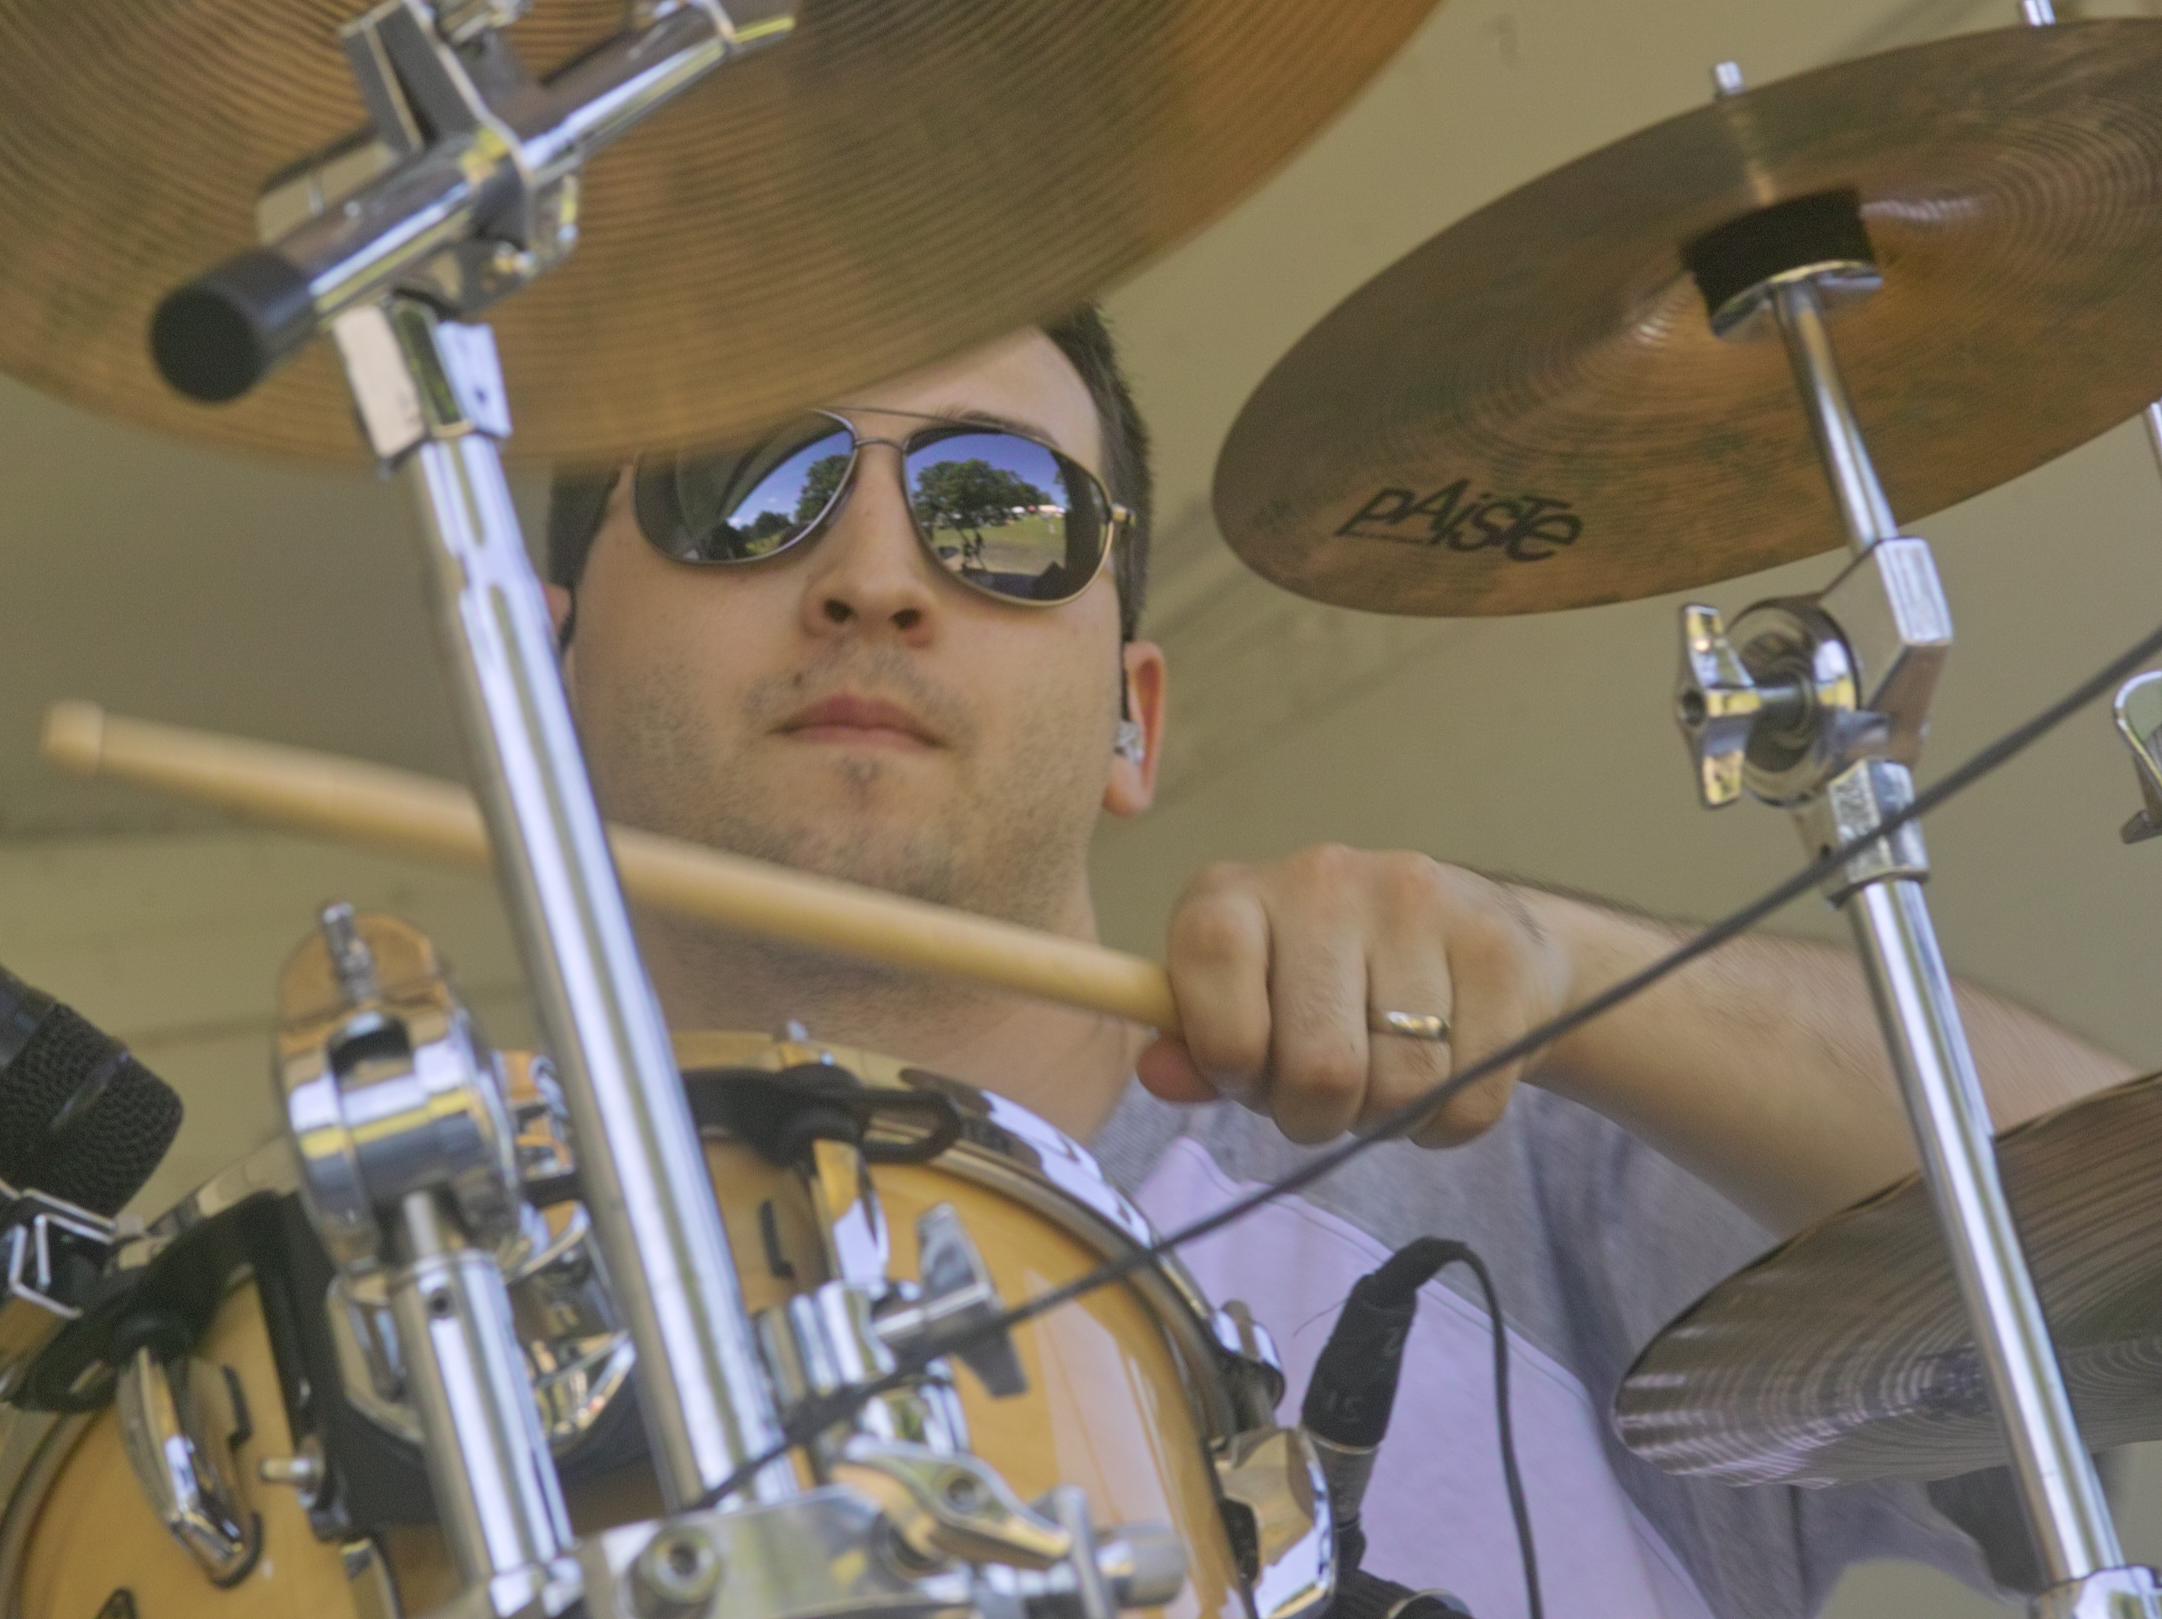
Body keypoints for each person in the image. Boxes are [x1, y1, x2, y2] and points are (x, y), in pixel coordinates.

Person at [536, 306, 2127, 1618]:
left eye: (998, 509)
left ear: (1133, 720)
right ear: (535, 672)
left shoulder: (1512, 1156)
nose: (877, 581)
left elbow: (2133, 1235)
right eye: (750, 487)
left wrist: (1577, 982)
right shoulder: (421, 1310)